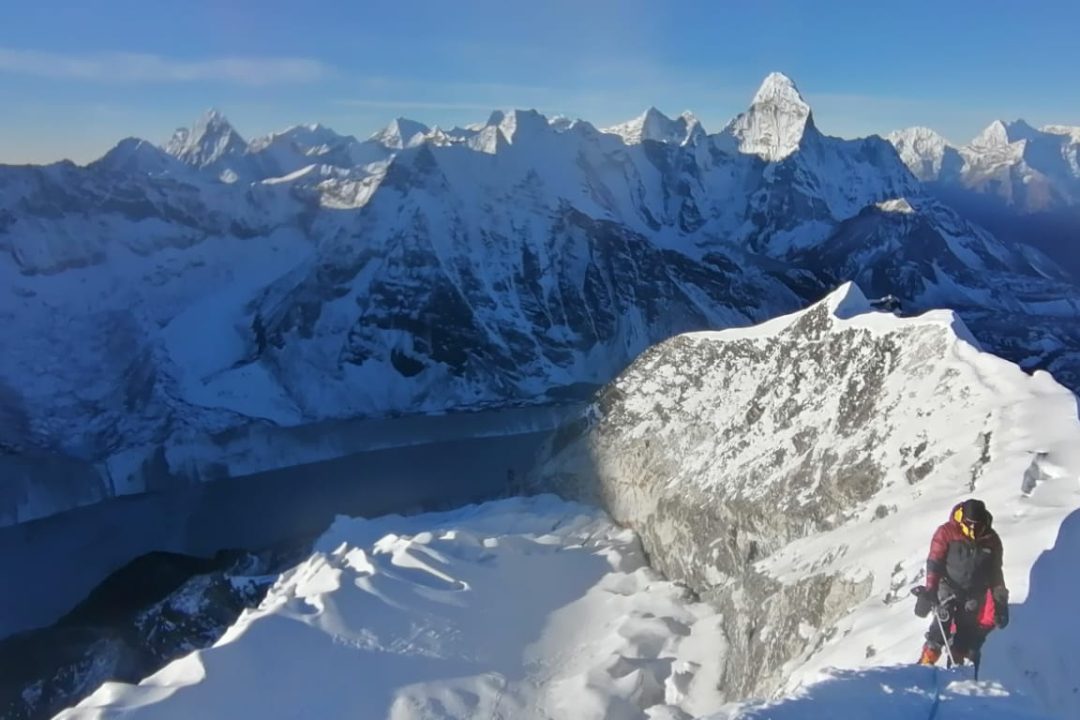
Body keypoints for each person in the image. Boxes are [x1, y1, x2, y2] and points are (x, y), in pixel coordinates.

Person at [913, 498, 1010, 667]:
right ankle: (926, 663)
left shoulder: (991, 540)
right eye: (969, 524)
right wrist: (930, 590)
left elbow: (995, 573)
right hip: (948, 586)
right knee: (942, 623)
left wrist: (1000, 601)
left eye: (977, 525)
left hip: (974, 593)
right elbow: (935, 561)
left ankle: (957, 672)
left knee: (965, 634)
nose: (973, 528)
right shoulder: (947, 532)